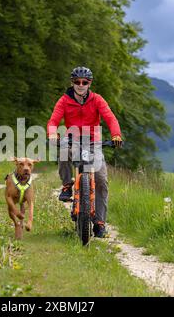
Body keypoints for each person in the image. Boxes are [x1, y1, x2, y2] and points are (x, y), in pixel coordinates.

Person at [47, 66, 123, 238]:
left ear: (90, 83)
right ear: (72, 83)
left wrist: (116, 135)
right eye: (77, 82)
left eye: (84, 82)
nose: (80, 85)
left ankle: (100, 222)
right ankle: (67, 185)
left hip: (93, 140)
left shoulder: (97, 100)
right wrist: (52, 134)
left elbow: (110, 117)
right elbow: (53, 120)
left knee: (101, 179)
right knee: (64, 150)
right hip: (72, 137)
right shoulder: (64, 101)